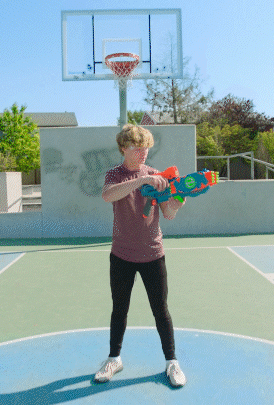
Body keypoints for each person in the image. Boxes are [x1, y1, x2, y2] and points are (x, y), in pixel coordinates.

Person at [94, 124, 187, 387]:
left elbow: (168, 213)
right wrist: (142, 180)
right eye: (137, 147)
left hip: (153, 253)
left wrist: (178, 200)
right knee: (119, 309)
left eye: (146, 147)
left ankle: (172, 363)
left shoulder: (158, 175)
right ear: (124, 148)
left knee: (161, 310)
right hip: (121, 254)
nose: (143, 152)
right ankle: (114, 359)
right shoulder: (115, 174)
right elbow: (108, 195)